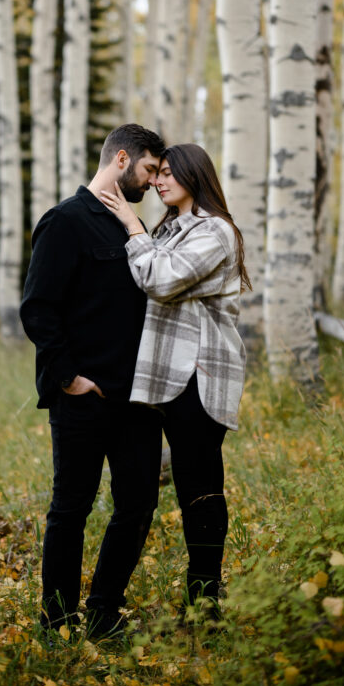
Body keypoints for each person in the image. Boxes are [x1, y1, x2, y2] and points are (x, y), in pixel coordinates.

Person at [20, 123, 166, 640]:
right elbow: (38, 309)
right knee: (71, 509)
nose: (152, 182)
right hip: (84, 398)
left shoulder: (135, 228)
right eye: (149, 169)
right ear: (122, 160)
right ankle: (57, 621)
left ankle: (104, 613)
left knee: (139, 504)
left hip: (137, 400)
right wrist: (68, 379)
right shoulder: (65, 221)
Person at [99, 142, 250, 620]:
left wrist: (132, 227)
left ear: (191, 174)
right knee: (182, 485)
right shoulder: (173, 228)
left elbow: (161, 280)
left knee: (200, 490)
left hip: (200, 374)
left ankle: (204, 604)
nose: (158, 181)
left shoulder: (215, 231)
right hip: (166, 377)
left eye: (167, 173)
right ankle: (191, 600)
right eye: (156, 173)